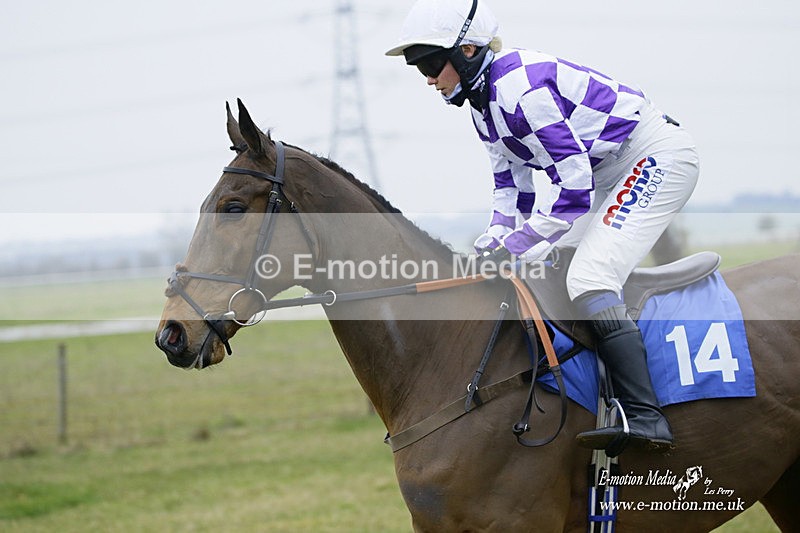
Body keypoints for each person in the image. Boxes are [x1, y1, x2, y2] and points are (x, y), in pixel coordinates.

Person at [386, 0, 700, 456]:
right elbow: (511, 194)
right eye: (420, 69)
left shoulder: (521, 91)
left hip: (654, 158)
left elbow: (572, 192)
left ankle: (646, 416)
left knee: (590, 278)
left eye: (433, 64)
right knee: (544, 272)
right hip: (605, 174)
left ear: (469, 51)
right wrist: (488, 247)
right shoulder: (481, 105)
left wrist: (514, 245)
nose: (430, 78)